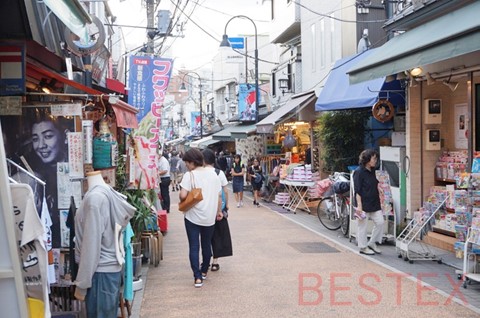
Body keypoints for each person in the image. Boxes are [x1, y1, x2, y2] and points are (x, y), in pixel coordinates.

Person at [74, 171, 136, 317]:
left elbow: (91, 244)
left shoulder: (95, 199)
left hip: (98, 273)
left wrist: (82, 284)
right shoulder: (107, 192)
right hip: (108, 270)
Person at [179, 149, 222, 288]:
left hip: (192, 216)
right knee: (206, 245)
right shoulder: (214, 175)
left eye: (187, 162)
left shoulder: (189, 175)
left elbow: (183, 196)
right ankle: (204, 271)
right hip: (209, 216)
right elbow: (219, 196)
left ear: (192, 162)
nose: (186, 165)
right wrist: (219, 212)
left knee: (194, 246)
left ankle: (197, 278)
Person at [353, 149, 384, 256]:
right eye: (374, 158)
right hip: (363, 203)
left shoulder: (372, 170)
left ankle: (372, 242)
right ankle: (363, 247)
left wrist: (379, 189)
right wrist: (359, 206)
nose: (375, 160)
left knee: (380, 222)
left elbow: (373, 183)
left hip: (374, 202)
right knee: (362, 226)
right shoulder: (359, 172)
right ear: (367, 159)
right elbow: (358, 190)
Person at [202, 149, 229, 272]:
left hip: (204, 208)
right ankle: (215, 262)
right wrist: (226, 206)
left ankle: (205, 260)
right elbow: (225, 191)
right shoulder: (219, 173)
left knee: (205, 236)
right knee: (217, 235)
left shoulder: (199, 173)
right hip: (218, 207)